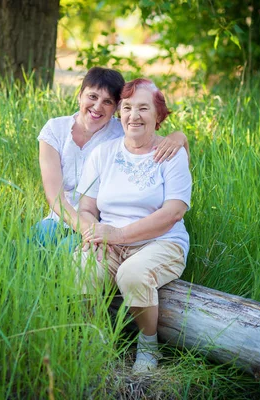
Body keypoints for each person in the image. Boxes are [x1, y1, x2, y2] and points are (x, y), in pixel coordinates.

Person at [75, 78, 192, 373]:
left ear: (158, 115)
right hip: (109, 242)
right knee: (80, 266)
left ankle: (149, 345)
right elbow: (87, 208)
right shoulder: (103, 154)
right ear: (120, 114)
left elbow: (173, 213)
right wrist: (94, 235)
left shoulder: (170, 154)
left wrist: (117, 234)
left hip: (161, 242)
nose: (134, 115)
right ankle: (96, 337)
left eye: (143, 108)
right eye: (127, 108)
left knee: (133, 273)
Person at [35, 67, 189, 249]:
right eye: (92, 97)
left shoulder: (121, 131)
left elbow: (155, 138)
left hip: (102, 220)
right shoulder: (55, 130)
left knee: (68, 250)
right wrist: (88, 230)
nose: (97, 106)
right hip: (64, 216)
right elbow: (55, 198)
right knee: (38, 237)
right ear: (79, 95)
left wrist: (179, 136)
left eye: (107, 101)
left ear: (116, 108)